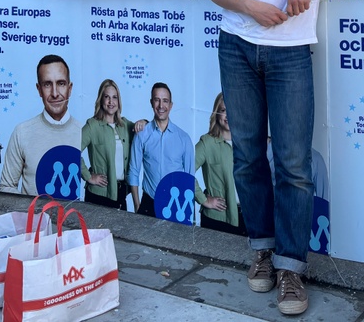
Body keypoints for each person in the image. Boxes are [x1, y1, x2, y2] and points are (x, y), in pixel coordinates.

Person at [201, 0, 352, 316]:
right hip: (237, 46)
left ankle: (291, 266)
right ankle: (260, 251)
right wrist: (250, 7)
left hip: (290, 51)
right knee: (246, 156)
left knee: (291, 162)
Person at [0, 54, 81, 195]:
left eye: (61, 83)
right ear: (39, 89)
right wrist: (31, 215)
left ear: (70, 87)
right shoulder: (22, 132)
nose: (55, 93)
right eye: (47, 84)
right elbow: (6, 187)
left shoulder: (86, 133)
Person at [128, 82, 193, 217]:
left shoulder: (184, 139)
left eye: (165, 101)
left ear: (171, 105)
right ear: (151, 102)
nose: (161, 106)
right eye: (157, 100)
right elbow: (134, 171)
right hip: (148, 204)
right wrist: (137, 205)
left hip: (176, 205)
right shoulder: (141, 134)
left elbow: (189, 178)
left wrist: (189, 215)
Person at [81, 79, 136, 209]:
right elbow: (72, 150)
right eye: (107, 97)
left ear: (119, 101)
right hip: (98, 195)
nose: (111, 102)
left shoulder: (125, 125)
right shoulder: (92, 126)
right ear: (101, 100)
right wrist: (88, 177)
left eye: (114, 97)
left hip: (121, 193)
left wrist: (144, 121)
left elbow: (144, 131)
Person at [194, 93, 244, 235]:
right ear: (216, 114)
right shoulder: (207, 143)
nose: (228, 115)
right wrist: (203, 200)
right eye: (223, 111)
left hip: (248, 218)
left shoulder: (248, 145)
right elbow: (185, 170)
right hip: (217, 219)